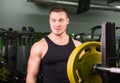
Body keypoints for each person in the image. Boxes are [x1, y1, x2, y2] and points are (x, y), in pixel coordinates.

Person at [26, 5, 82, 83]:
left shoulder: (78, 46)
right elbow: (31, 77)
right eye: (53, 20)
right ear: (49, 21)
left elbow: (84, 75)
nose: (57, 24)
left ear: (67, 21)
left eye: (61, 20)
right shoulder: (39, 46)